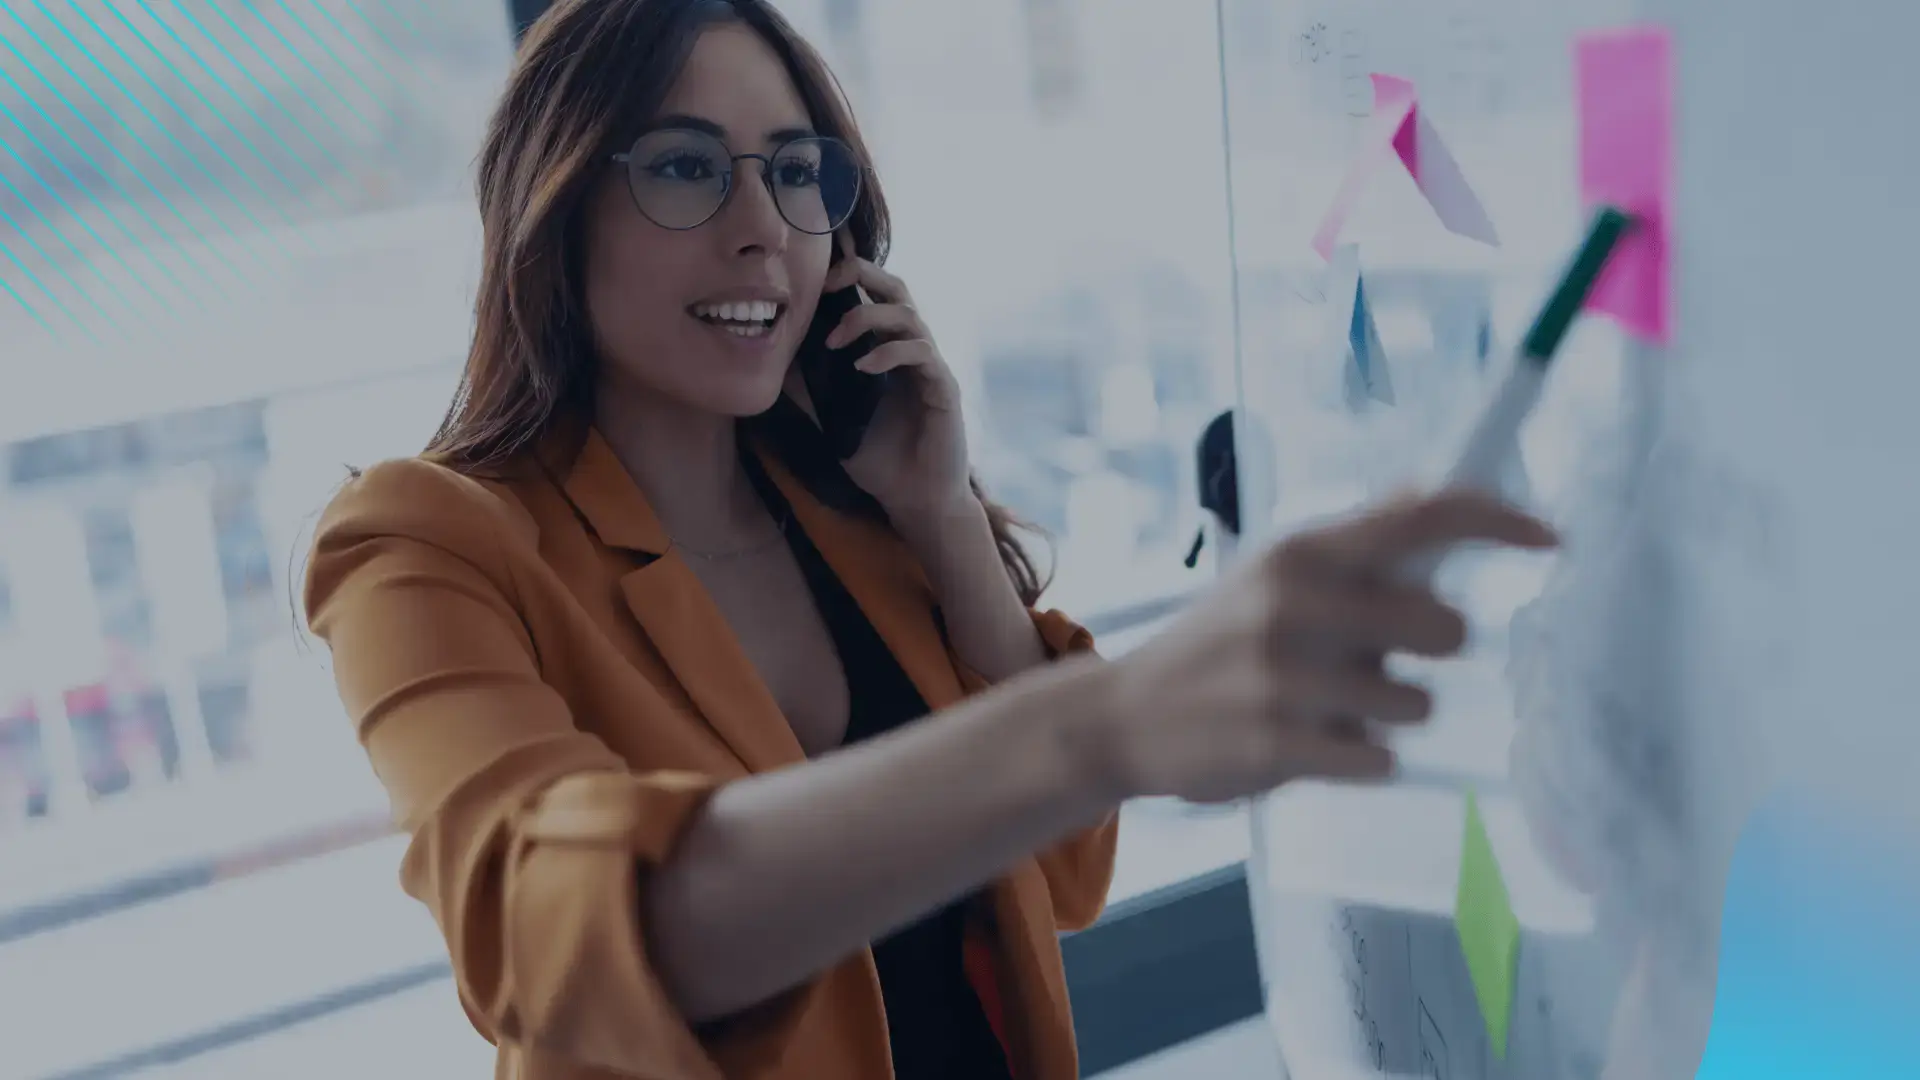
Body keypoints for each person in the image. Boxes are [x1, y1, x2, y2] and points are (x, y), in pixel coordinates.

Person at [300, 2, 1558, 1078]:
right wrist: (1107, 724)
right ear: (556, 204)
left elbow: (1068, 873)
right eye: (687, 168)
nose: (764, 227)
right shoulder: (422, 543)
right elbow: (545, 935)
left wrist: (942, 514)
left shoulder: (858, 506)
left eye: (799, 172)